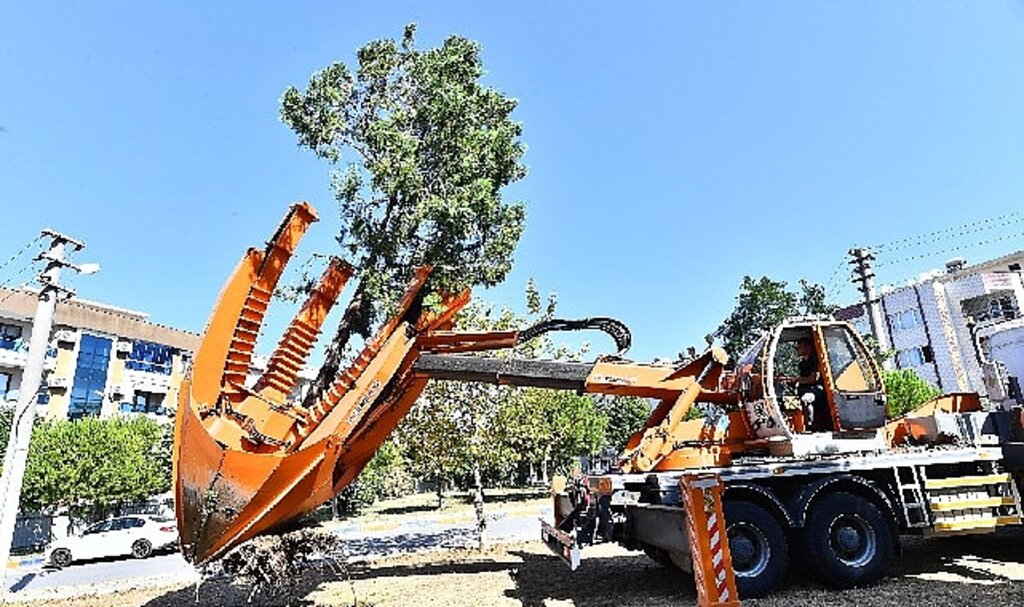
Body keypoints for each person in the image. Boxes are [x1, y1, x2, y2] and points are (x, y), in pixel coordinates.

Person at [793, 337, 830, 431]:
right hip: (804, 389)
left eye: (799, 347)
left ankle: (810, 426)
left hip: (816, 389)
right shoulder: (802, 364)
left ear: (808, 348)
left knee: (805, 399)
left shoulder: (815, 361)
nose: (797, 349)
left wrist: (798, 380)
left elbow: (814, 378)